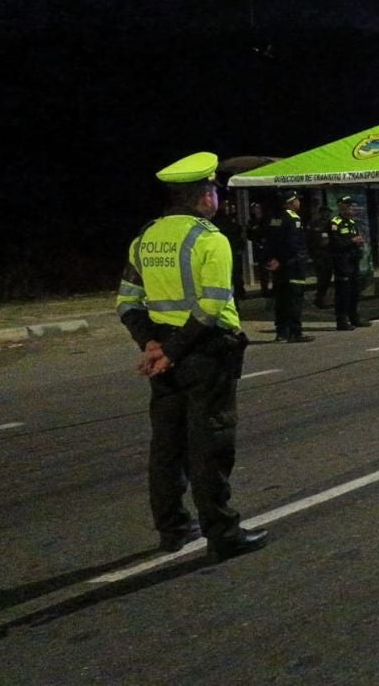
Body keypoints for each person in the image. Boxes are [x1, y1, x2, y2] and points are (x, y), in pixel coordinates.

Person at [115, 151, 268, 561]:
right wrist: (170, 350)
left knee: (167, 447)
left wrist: (151, 344)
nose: (217, 198)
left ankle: (173, 529)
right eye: (214, 191)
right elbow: (211, 307)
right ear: (204, 196)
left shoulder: (144, 238)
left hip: (166, 353)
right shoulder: (209, 239)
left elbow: (127, 302)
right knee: (211, 444)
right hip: (205, 352)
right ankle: (224, 534)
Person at [264, 189, 314, 342]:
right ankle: (295, 332)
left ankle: (281, 332)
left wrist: (271, 259)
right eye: (297, 200)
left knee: (281, 300)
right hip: (293, 265)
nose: (299, 202)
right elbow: (293, 244)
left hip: (278, 267)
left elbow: (270, 241)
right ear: (291, 202)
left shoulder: (275, 218)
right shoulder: (294, 219)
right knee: (294, 299)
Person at [328, 195, 372, 331]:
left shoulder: (352, 223)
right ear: (341, 207)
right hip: (342, 263)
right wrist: (352, 241)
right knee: (343, 293)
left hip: (353, 262)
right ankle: (342, 320)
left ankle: (354, 317)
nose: (351, 208)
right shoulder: (335, 223)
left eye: (352, 206)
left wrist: (358, 243)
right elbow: (335, 243)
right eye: (348, 205)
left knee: (354, 292)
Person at [212, 198, 246, 299]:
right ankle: (239, 294)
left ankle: (237, 294)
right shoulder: (227, 221)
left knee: (231, 276)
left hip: (228, 252)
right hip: (231, 251)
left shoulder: (218, 221)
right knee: (235, 276)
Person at [310, 202, 335, 309]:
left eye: (328, 213)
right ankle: (319, 300)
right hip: (320, 256)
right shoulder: (316, 224)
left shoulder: (331, 224)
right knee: (322, 279)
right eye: (325, 213)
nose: (327, 215)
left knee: (327, 279)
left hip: (330, 255)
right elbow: (311, 241)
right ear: (321, 213)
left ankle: (322, 298)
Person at [246, 202, 271, 297]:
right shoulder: (251, 222)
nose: (255, 210)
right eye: (253, 208)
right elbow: (249, 235)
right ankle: (264, 290)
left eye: (257, 207)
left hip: (268, 247)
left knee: (271, 267)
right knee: (263, 270)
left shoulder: (266, 220)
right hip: (259, 248)